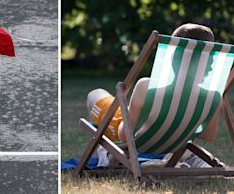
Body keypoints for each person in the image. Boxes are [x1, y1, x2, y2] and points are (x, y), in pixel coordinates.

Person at [87, 23, 220, 144]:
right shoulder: (212, 96)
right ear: (210, 62)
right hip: (172, 143)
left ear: (172, 58)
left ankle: (106, 152)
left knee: (95, 94)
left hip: (137, 140)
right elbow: (207, 136)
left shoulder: (147, 87)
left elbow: (125, 137)